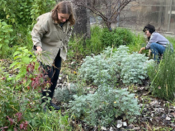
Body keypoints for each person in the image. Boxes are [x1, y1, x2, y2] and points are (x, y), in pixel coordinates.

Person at [31, 1, 75, 110]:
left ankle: (49, 102)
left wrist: (64, 44)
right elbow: (35, 34)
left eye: (66, 18)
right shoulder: (46, 19)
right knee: (47, 77)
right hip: (45, 51)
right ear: (56, 11)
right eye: (62, 17)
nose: (64, 20)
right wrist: (38, 47)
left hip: (58, 52)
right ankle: (43, 104)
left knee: (55, 77)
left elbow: (68, 33)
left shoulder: (68, 21)